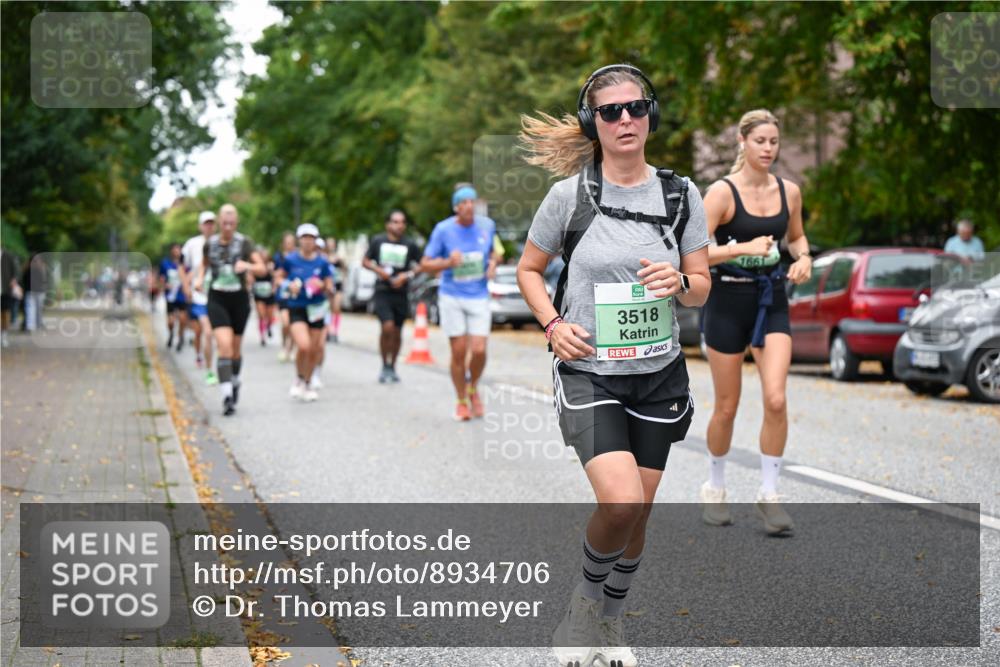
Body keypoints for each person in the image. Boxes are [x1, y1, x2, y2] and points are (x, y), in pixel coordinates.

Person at [517, 64, 710, 667]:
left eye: (636, 107)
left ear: (650, 114)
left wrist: (680, 279)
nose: (625, 119)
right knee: (621, 503)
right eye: (610, 111)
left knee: (640, 516)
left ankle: (610, 623)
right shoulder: (569, 196)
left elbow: (701, 286)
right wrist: (553, 324)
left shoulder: (681, 195)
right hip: (590, 370)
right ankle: (580, 609)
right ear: (591, 122)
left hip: (658, 374)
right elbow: (529, 270)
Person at [700, 109, 813, 535]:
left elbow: (796, 237)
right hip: (728, 300)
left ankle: (769, 495)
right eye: (760, 141)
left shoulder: (790, 191)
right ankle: (714, 486)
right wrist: (738, 248)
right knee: (727, 406)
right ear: (742, 142)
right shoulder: (721, 194)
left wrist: (803, 258)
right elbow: (693, 253)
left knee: (777, 400)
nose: (768, 149)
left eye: (774, 142)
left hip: (772, 298)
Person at [420, 186, 501, 421]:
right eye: (463, 202)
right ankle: (461, 399)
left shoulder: (487, 226)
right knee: (458, 351)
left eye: (471, 201)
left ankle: (473, 386)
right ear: (456, 207)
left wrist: (493, 264)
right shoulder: (443, 230)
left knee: (479, 350)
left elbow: (496, 252)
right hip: (452, 295)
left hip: (478, 295)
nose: (468, 206)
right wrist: (447, 262)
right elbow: (425, 264)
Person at [193, 204, 267, 416]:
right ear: (219, 223)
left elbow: (261, 268)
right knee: (223, 346)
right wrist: (199, 280)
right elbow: (204, 265)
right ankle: (226, 396)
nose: (227, 226)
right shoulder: (211, 243)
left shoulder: (244, 243)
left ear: (236, 223)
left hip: (239, 299)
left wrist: (248, 267)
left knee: (235, 349)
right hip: (217, 298)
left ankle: (234, 380)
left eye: (231, 223)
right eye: (224, 223)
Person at [275, 223, 334, 402]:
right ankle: (299, 378)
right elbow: (278, 277)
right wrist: (288, 285)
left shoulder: (322, 262)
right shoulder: (291, 260)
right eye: (305, 238)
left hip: (316, 308)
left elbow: (331, 287)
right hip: (297, 307)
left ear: (316, 241)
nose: (308, 241)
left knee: (314, 349)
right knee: (304, 346)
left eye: (311, 238)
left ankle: (307, 382)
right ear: (299, 240)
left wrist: (322, 286)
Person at [363, 209, 422, 382]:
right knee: (386, 327)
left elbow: (421, 265)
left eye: (402, 222)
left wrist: (406, 276)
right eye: (395, 222)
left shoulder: (409, 244)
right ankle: (384, 364)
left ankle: (393, 366)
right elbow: (365, 261)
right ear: (388, 224)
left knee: (397, 331)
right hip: (383, 291)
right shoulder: (378, 241)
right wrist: (379, 271)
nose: (399, 225)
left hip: (401, 292)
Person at [182, 211, 218, 384]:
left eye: (212, 223)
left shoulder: (221, 242)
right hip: (198, 296)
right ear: (200, 226)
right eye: (206, 223)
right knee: (200, 332)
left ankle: (210, 370)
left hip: (217, 295)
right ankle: (199, 356)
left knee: (208, 333)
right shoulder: (192, 244)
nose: (209, 226)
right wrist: (186, 287)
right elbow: (183, 267)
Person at [158, 243, 188, 352]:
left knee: (182, 318)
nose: (177, 251)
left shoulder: (186, 264)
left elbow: (189, 277)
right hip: (170, 296)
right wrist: (164, 285)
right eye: (175, 249)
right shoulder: (165, 263)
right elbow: (161, 278)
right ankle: (171, 334)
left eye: (179, 249)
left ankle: (180, 338)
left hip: (181, 296)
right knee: (171, 321)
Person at [273, 231, 297, 363]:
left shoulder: (297, 257)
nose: (289, 245)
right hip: (283, 294)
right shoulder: (279, 257)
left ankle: (291, 348)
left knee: (294, 324)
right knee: (285, 323)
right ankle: (284, 345)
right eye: (287, 243)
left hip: (295, 295)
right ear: (283, 244)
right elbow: (276, 274)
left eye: (291, 243)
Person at [251, 246, 277, 346]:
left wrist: (274, 288)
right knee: (261, 315)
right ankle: (262, 336)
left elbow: (275, 278)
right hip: (258, 294)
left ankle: (269, 326)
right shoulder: (255, 267)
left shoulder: (271, 266)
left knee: (270, 316)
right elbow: (250, 278)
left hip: (269, 294)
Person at [324, 236, 346, 343]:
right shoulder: (323, 258)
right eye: (329, 243)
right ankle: (328, 330)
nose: (330, 245)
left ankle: (335, 331)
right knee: (328, 308)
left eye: (332, 243)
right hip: (328, 286)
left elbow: (344, 270)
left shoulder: (339, 258)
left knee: (336, 308)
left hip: (337, 285)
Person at [1, 247, 21, 347]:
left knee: (5, 313)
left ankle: (4, 335)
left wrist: (14, 280)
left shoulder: (8, 256)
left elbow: (16, 272)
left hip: (5, 290)